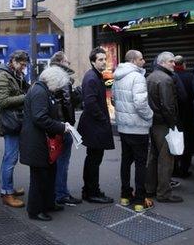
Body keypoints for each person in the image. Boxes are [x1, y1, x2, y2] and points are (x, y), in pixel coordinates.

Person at [20, 66, 72, 221]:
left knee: (49, 173)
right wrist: (61, 127)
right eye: (58, 85)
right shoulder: (40, 92)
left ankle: (48, 204)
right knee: (39, 178)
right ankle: (35, 210)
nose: (58, 89)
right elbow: (40, 118)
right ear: (53, 81)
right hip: (37, 143)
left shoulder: (41, 90)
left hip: (41, 141)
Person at [113, 50, 154, 212]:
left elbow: (115, 100)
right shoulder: (137, 77)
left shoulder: (118, 76)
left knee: (126, 161)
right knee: (140, 164)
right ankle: (139, 200)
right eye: (141, 59)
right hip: (138, 127)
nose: (144, 61)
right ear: (134, 60)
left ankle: (125, 196)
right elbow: (140, 103)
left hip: (123, 127)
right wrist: (150, 116)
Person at [144, 51, 183, 203]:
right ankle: (164, 192)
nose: (174, 64)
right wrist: (173, 124)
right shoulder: (165, 79)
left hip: (153, 122)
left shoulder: (150, 76)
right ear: (162, 63)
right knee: (166, 159)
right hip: (163, 124)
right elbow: (168, 106)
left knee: (153, 156)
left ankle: (150, 188)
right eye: (171, 62)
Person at [78, 47, 115, 204]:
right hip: (94, 127)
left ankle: (89, 190)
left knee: (93, 159)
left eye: (104, 59)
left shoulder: (96, 76)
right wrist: (103, 120)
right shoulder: (92, 78)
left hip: (94, 125)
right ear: (93, 61)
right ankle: (92, 192)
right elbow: (91, 103)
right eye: (100, 59)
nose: (103, 62)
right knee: (94, 160)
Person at [0, 50, 30, 208]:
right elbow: (2, 101)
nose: (23, 67)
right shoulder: (3, 76)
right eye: (22, 64)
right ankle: (7, 193)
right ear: (14, 61)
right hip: (10, 122)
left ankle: (7, 188)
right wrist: (26, 97)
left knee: (9, 157)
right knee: (10, 158)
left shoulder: (15, 74)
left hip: (15, 120)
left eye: (25, 65)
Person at [47, 51, 83, 207]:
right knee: (63, 161)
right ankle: (61, 193)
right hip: (63, 125)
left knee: (54, 160)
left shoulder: (49, 75)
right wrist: (69, 123)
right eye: (67, 62)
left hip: (53, 124)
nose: (69, 64)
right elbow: (67, 103)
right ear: (61, 63)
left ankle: (55, 192)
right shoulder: (63, 78)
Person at [172, 55, 194, 179]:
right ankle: (184, 169)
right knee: (187, 142)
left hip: (174, 115)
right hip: (188, 115)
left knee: (174, 142)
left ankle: (174, 168)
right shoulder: (190, 77)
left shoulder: (170, 76)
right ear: (184, 64)